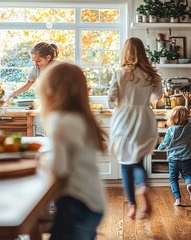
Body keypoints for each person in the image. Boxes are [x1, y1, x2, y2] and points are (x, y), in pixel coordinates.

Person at [37, 62, 106, 239]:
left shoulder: (62, 122)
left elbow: (59, 169)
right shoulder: (81, 118)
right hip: (91, 200)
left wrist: (41, 162)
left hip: (77, 203)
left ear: (50, 91)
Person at [108, 37, 163, 219]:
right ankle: (143, 186)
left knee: (125, 163)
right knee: (137, 160)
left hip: (124, 118)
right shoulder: (151, 74)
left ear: (126, 52)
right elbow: (157, 95)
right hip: (144, 118)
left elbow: (111, 97)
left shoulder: (120, 72)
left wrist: (118, 102)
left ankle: (132, 205)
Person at [157, 93, 191, 206]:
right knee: (187, 175)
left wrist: (159, 148)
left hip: (174, 159)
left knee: (173, 179)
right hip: (187, 157)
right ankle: (189, 185)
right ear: (187, 117)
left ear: (172, 118)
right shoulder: (189, 127)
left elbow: (165, 143)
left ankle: (177, 199)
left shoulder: (171, 130)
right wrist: (188, 106)